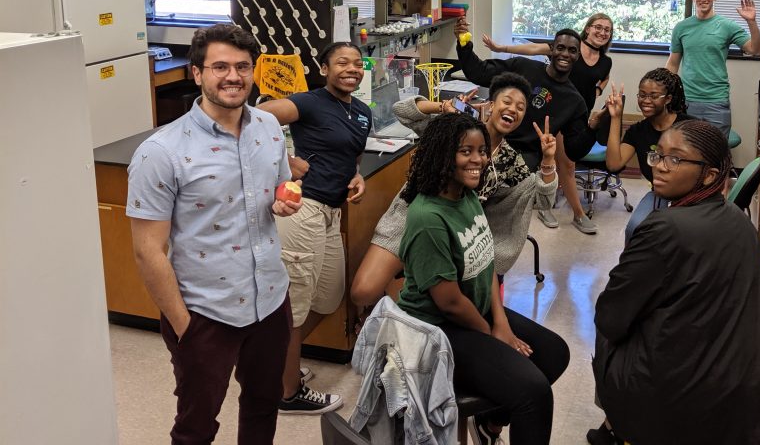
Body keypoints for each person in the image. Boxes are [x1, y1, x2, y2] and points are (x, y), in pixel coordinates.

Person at [127, 24, 301, 445]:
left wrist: (282, 202)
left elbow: (279, 188)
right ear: (197, 74)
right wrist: (183, 325)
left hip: (270, 299)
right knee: (196, 425)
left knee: (263, 406)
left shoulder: (268, 128)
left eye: (243, 66)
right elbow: (147, 250)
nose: (233, 76)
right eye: (219, 66)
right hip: (205, 311)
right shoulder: (161, 152)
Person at [592, 119, 760, 445]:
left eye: (675, 159)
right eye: (657, 155)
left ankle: (617, 425)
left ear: (709, 174)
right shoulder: (740, 220)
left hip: (675, 401)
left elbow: (611, 318)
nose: (659, 167)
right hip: (737, 398)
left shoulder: (663, 227)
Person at [397, 114, 571, 445]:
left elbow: (485, 262)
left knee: (554, 353)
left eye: (482, 150)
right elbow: (448, 302)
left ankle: (489, 425)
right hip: (436, 331)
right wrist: (491, 334)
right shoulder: (428, 218)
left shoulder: (466, 195)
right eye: (466, 151)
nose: (479, 160)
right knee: (533, 392)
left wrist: (501, 322)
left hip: (472, 313)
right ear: (443, 155)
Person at [350, 72, 557, 307]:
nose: (513, 109)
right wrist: (443, 106)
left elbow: (542, 200)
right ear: (490, 105)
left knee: (428, 309)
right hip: (410, 219)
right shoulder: (454, 128)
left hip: (452, 239)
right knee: (363, 292)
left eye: (520, 107)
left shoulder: (510, 161)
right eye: (507, 102)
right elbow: (402, 111)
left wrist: (548, 160)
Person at [257, 41, 370, 413]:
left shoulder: (363, 112)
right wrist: (285, 159)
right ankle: (287, 394)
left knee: (329, 296)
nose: (351, 68)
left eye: (357, 63)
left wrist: (356, 177)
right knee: (296, 307)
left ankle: (273, 363)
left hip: (331, 213)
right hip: (302, 209)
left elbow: (348, 155)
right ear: (324, 69)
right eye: (341, 62)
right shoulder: (307, 102)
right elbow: (252, 119)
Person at [455, 16, 599, 234]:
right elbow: (478, 72)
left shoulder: (574, 101)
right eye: (560, 48)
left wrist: (595, 126)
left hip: (526, 155)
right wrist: (464, 43)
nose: (565, 54)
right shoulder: (523, 67)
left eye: (572, 50)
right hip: (492, 141)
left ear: (578, 56)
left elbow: (575, 149)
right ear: (551, 50)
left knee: (487, 192)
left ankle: (476, 230)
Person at [665, 0, 760, 135]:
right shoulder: (681, 28)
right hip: (687, 101)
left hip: (717, 102)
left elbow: (757, 50)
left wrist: (752, 22)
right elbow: (673, 63)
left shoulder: (727, 26)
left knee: (715, 154)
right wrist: (667, 93)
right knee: (687, 152)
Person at [602, 68, 694, 241]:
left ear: (668, 99)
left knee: (680, 236)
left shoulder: (689, 127)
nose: (646, 101)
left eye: (653, 96)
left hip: (690, 196)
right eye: (642, 95)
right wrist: (616, 117)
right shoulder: (638, 131)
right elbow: (614, 164)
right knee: (634, 231)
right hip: (660, 193)